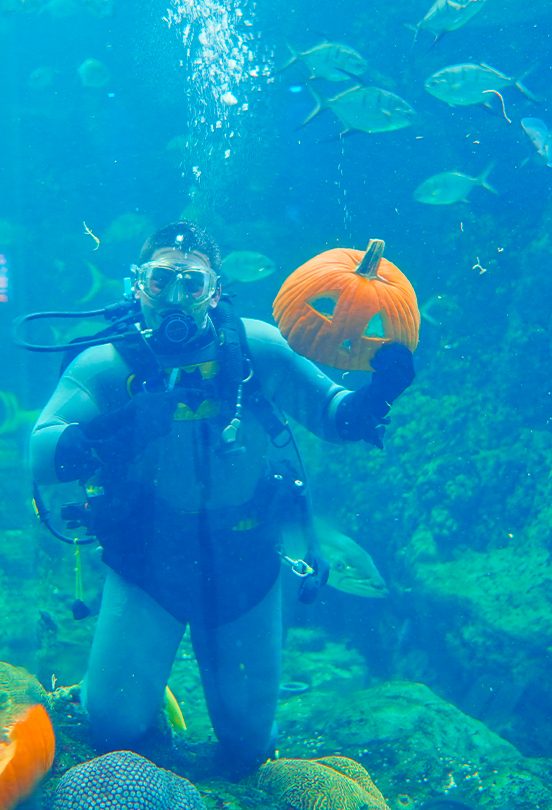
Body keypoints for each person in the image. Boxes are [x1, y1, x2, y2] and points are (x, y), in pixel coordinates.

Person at [30, 222, 413, 777]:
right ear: (137, 286)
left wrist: (380, 394)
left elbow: (331, 413)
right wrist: (118, 429)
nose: (176, 299)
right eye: (161, 281)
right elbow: (39, 452)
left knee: (249, 741)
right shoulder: (108, 363)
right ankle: (126, 694)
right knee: (113, 724)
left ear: (216, 290)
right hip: (149, 556)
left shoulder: (258, 349)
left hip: (244, 555)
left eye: (193, 283)